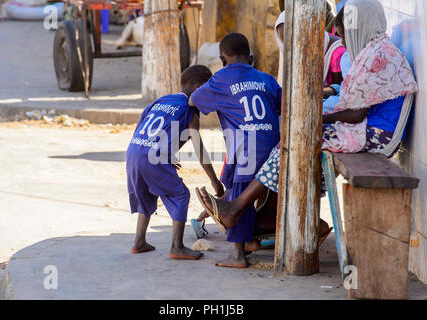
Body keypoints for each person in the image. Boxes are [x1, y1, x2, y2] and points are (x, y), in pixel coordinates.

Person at [196, 0, 418, 258]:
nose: (343, 43)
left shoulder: (377, 56)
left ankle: (238, 209)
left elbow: (357, 113)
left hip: (376, 136)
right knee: (296, 139)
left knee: (296, 138)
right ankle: (269, 215)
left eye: (345, 36)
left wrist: (313, 117)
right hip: (370, 129)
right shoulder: (376, 50)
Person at [189, 33, 282, 268]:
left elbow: (194, 100)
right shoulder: (267, 79)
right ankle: (252, 240)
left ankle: (238, 254)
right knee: (234, 176)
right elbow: (283, 105)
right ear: (251, 58)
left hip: (247, 152)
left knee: (237, 187)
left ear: (222, 60)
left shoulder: (220, 80)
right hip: (274, 147)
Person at [126, 65, 224, 260]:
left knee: (146, 194)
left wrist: (165, 154)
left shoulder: (162, 100)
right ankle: (177, 246)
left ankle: (139, 242)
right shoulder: (189, 111)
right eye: (207, 90)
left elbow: (142, 127)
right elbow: (200, 150)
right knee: (181, 194)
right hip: (152, 155)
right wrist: (214, 181)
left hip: (134, 151)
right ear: (198, 87)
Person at [274, 10, 345, 90]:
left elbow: (339, 90)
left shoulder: (338, 52)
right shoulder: (300, 54)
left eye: (296, 42)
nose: (294, 50)